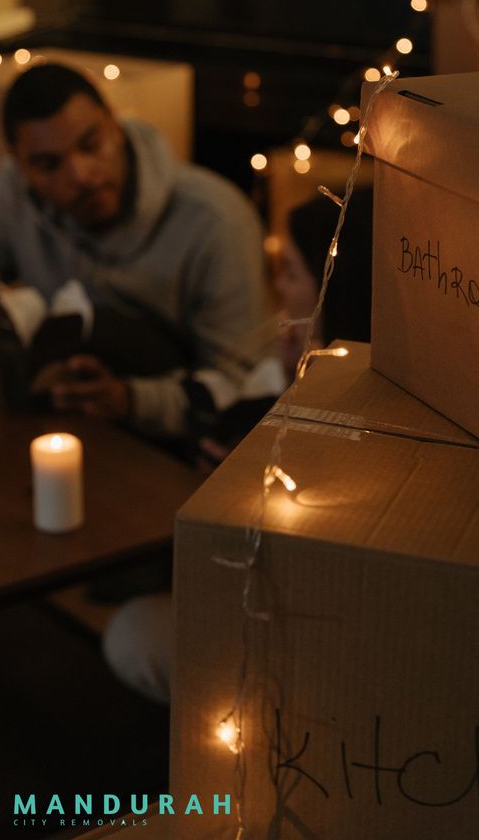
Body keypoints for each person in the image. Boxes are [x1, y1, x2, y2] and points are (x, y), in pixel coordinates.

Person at [103, 186, 374, 703]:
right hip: (239, 572)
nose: (277, 286)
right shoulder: (294, 363)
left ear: (334, 287)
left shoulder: (343, 411)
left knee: (133, 634)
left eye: (292, 273)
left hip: (294, 618)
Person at [0, 62, 267, 442]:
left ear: (115, 124)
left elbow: (245, 390)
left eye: (91, 145)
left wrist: (133, 400)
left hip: (175, 453)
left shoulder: (215, 220)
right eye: (48, 164)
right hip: (58, 431)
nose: (79, 174)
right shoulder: (13, 192)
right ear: (20, 164)